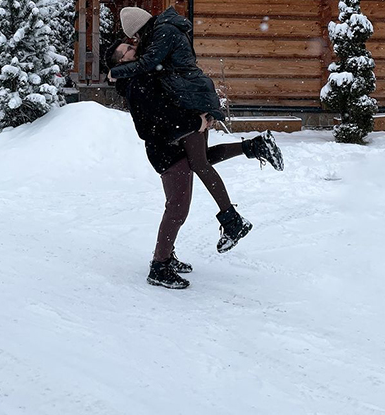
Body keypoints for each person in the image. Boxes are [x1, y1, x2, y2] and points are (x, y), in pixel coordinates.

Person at [107, 37, 284, 290]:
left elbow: (170, 103)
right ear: (122, 61)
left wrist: (198, 113)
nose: (133, 48)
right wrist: (194, 123)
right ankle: (159, 266)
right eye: (127, 49)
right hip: (165, 149)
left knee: (200, 163)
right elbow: (152, 125)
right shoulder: (136, 84)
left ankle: (253, 148)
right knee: (177, 208)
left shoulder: (146, 73)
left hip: (177, 139)